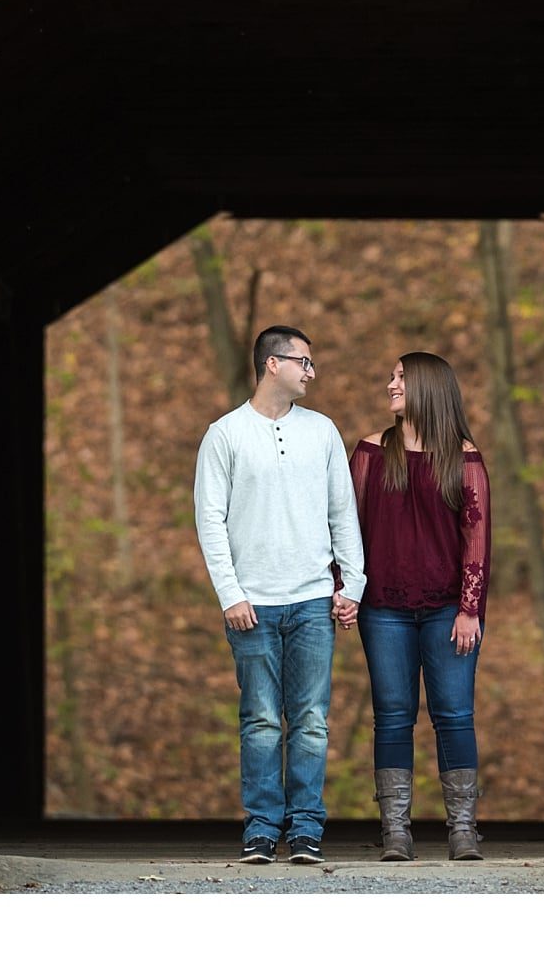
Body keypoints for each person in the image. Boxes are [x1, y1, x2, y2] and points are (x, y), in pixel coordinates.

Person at [194, 324, 365, 865]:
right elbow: (210, 521)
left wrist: (351, 583)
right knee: (262, 719)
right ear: (274, 364)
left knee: (312, 718)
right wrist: (230, 594)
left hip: (314, 599)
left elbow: (344, 512)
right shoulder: (224, 435)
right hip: (252, 605)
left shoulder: (323, 432)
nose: (312, 372)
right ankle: (262, 829)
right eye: (304, 362)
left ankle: (307, 829)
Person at [350, 351, 491, 861]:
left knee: (454, 715)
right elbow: (349, 529)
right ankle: (396, 833)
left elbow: (476, 535)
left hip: (449, 609)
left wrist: (470, 608)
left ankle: (462, 831)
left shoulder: (463, 455)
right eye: (391, 376)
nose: (391, 384)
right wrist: (346, 588)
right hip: (383, 605)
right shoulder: (370, 450)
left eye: (401, 378)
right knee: (392, 717)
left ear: (428, 387)